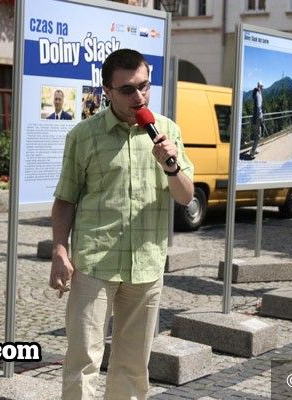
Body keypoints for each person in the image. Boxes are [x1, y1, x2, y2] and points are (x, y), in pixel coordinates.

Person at [50, 48, 194, 399]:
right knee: (83, 360)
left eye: (144, 86)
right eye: (128, 90)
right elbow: (65, 199)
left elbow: (185, 196)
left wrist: (171, 166)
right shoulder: (84, 135)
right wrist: (59, 249)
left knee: (133, 365)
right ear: (107, 91)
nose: (139, 97)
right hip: (95, 264)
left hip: (146, 264)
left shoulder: (167, 130)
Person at [249, 81, 264, 158]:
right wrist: (260, 117)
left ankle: (254, 149)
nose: (263, 88)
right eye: (262, 86)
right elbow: (258, 107)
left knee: (257, 135)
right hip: (257, 118)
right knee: (258, 136)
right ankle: (252, 152)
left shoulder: (257, 94)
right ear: (259, 87)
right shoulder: (258, 94)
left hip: (255, 118)